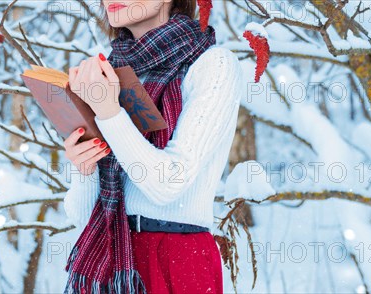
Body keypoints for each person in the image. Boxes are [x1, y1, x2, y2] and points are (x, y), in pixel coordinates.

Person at [62, 0, 244, 293]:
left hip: (176, 258)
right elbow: (83, 216)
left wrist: (110, 113)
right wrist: (85, 167)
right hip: (114, 260)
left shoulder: (214, 65)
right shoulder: (111, 73)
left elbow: (169, 183)